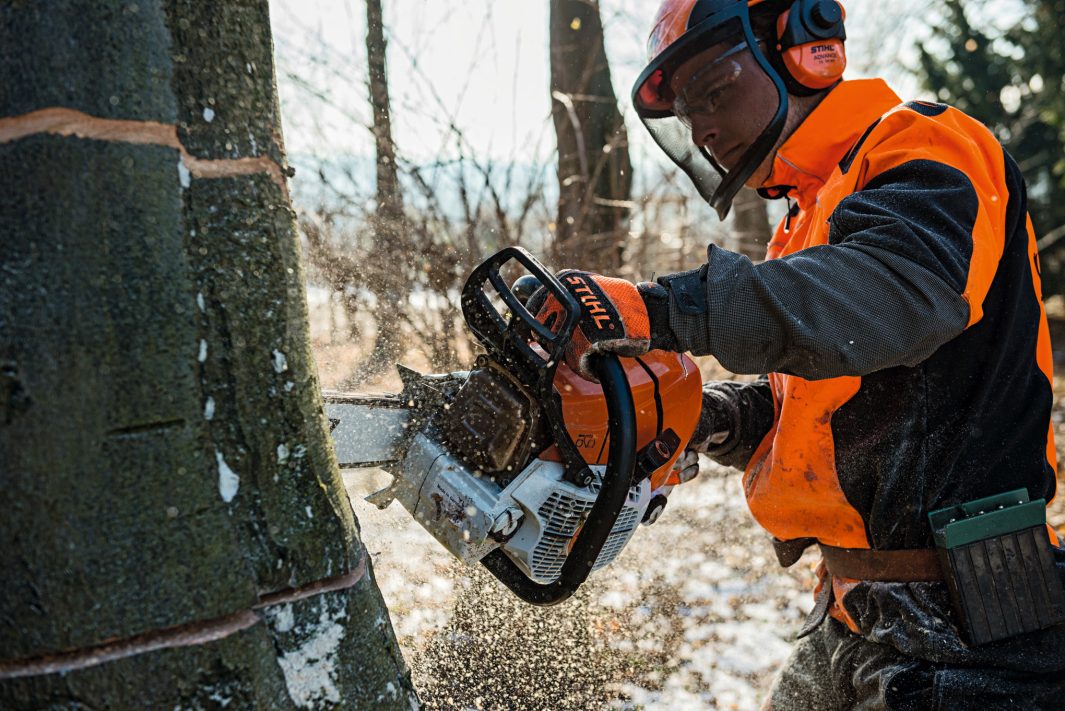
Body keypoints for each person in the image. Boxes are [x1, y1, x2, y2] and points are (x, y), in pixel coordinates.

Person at [531, 0, 1065, 708]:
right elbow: (833, 402)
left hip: (976, 625)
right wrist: (708, 416)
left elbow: (896, 296)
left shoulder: (923, 147)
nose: (703, 127)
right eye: (687, 113)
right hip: (850, 610)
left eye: (713, 92)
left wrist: (662, 308)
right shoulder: (810, 212)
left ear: (802, 46)